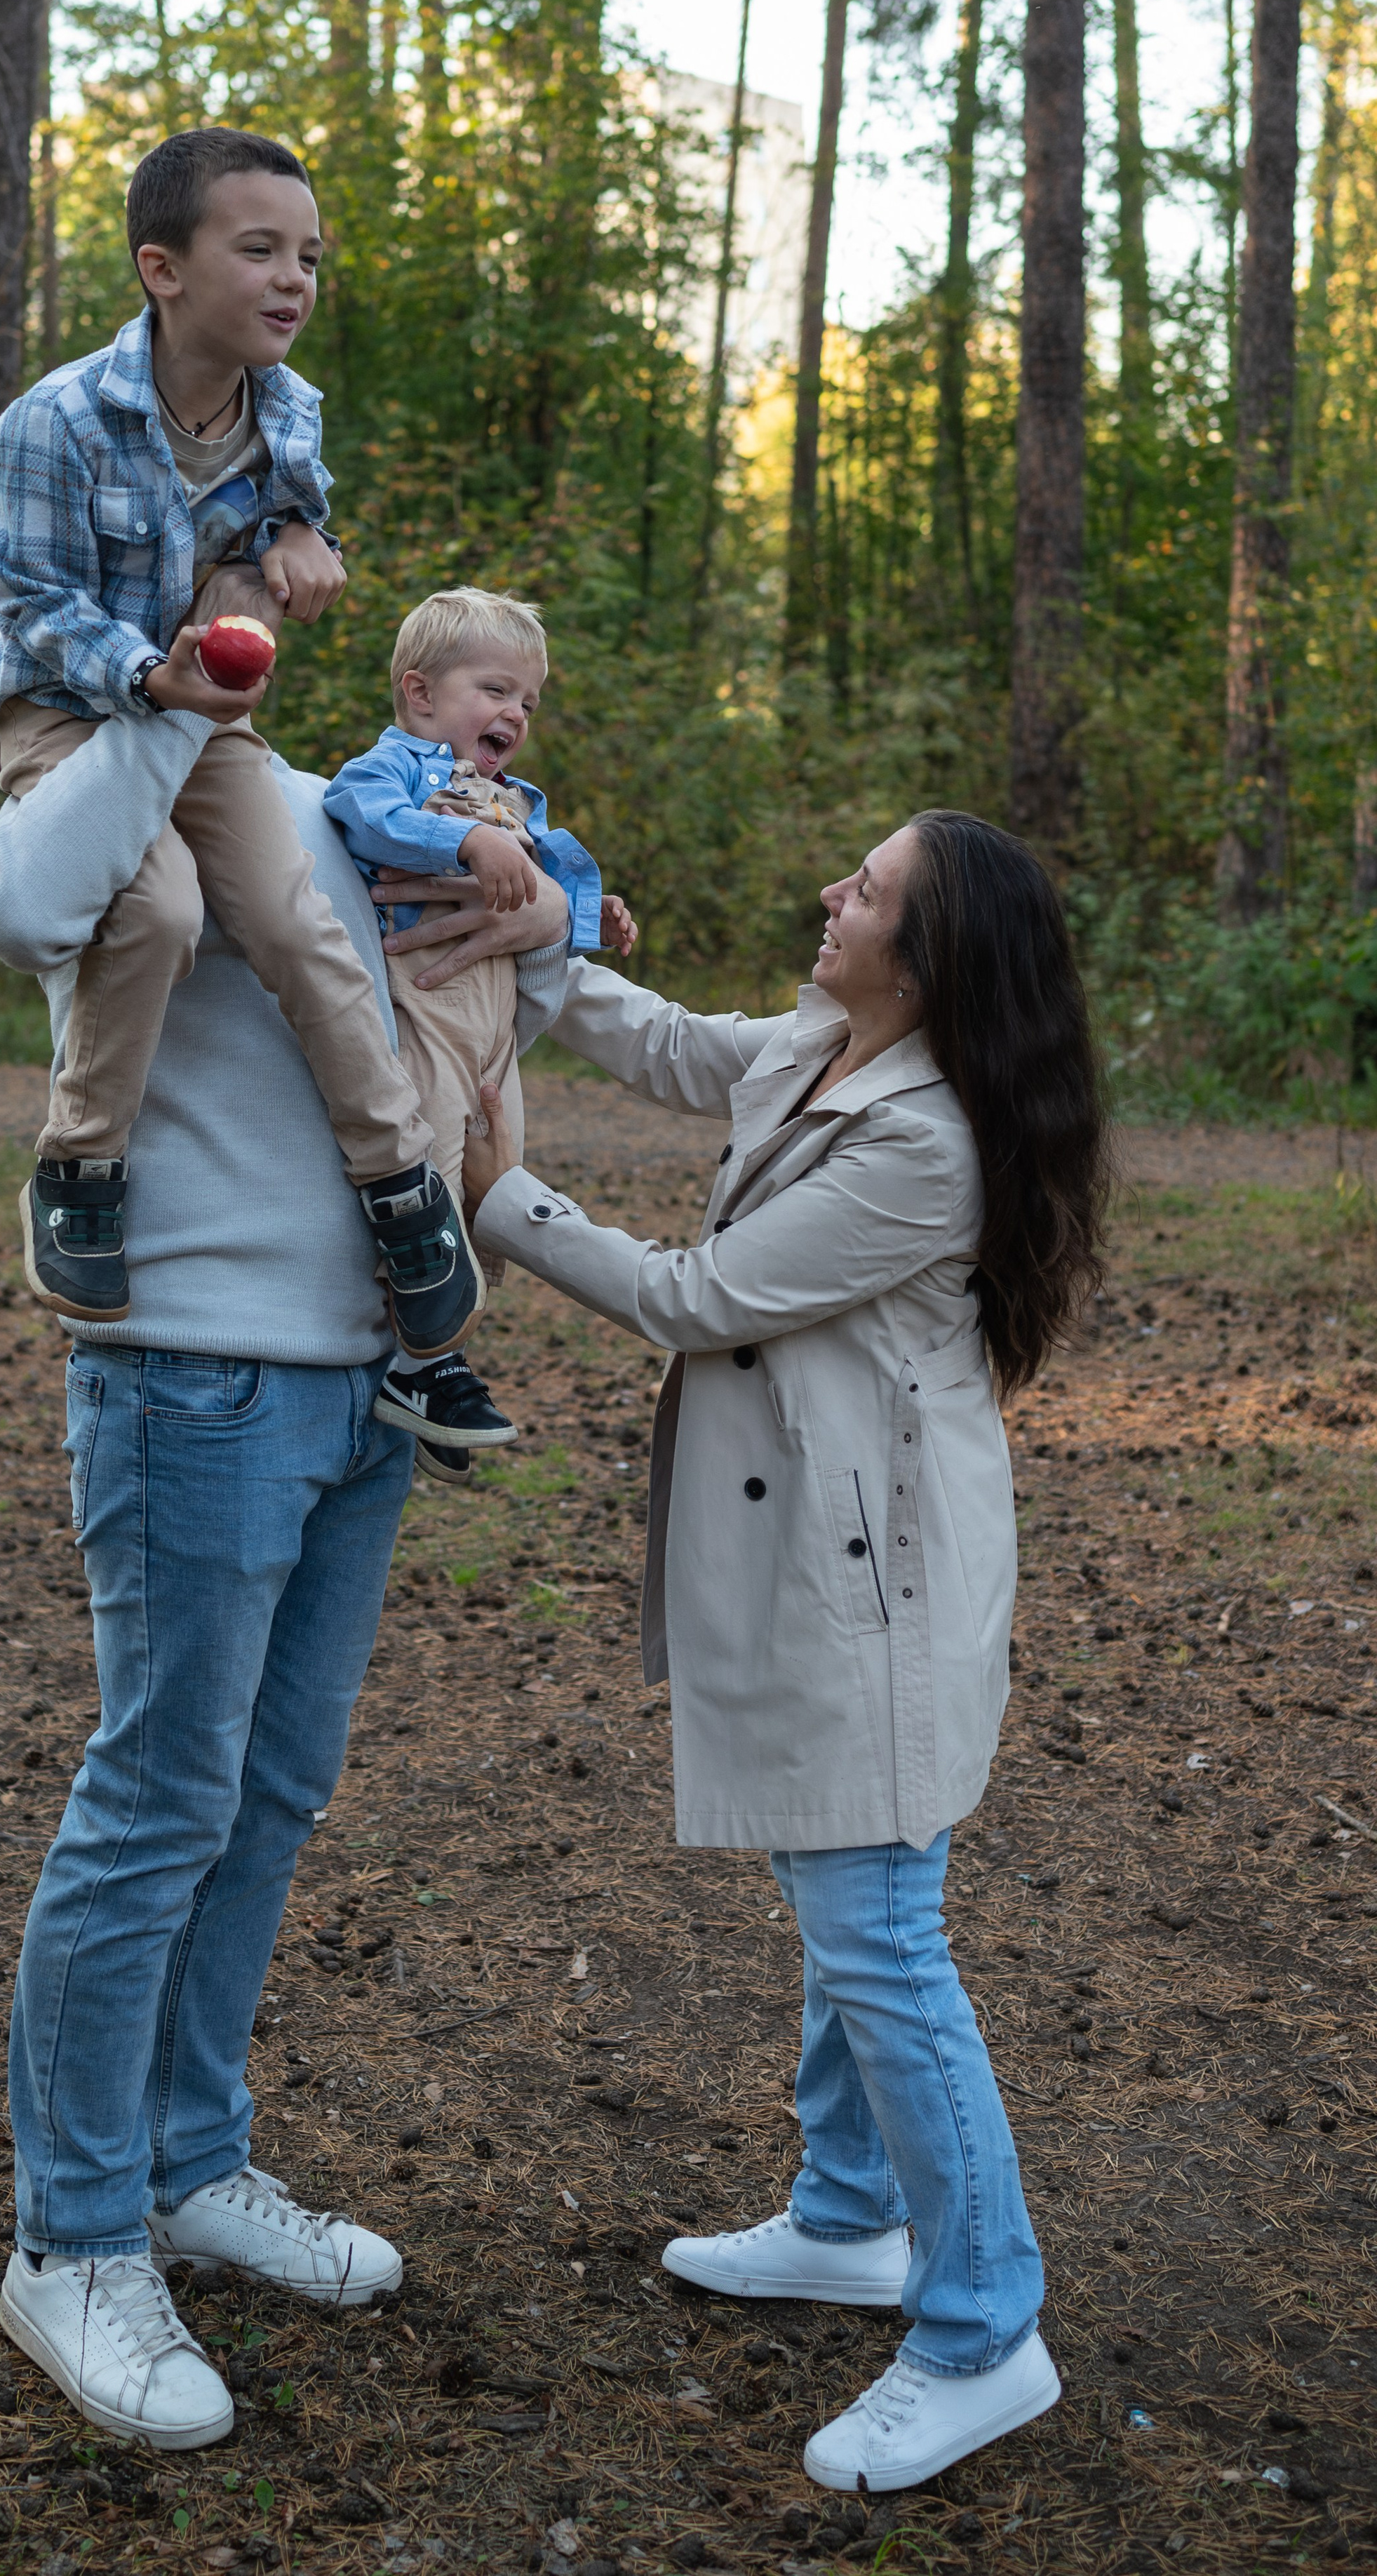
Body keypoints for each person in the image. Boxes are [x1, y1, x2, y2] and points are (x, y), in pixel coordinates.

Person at [462, 808, 1110, 2494]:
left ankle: (981, 2324)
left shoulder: (925, 1143)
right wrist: (542, 938)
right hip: (842, 1545)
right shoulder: (835, 1041)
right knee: (850, 1902)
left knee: (879, 1931)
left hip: (871, 1583)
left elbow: (696, 1296)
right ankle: (845, 2216)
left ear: (934, 952)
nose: (833, 893)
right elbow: (672, 1043)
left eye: (869, 890)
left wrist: (494, 1195)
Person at [0, 700, 572, 2449]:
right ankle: (70, 2236)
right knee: (160, 1793)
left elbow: (464, 1032)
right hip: (193, 1363)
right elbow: (16, 914)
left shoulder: (364, 811)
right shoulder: (125, 779)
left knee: (273, 1786)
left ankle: (185, 2159)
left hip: (367, 1376)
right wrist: (154, 708)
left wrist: (534, 921)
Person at [0, 126, 481, 1375]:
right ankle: (82, 1163)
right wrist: (152, 674)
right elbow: (33, 603)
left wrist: (309, 541)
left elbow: (286, 520)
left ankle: (400, 1177)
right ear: (164, 268)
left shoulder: (288, 406)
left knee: (298, 924)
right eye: (258, 249)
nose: (293, 278)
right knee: (155, 912)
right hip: (72, 715)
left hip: (209, 724)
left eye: (307, 255)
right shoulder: (53, 424)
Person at [325, 587, 638, 1475]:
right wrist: (464, 846)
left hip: (495, 1025)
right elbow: (360, 816)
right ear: (422, 695)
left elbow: (541, 889)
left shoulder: (514, 800)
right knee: (420, 1173)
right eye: (496, 691)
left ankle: (438, 1360)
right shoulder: (394, 770)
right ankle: (421, 1364)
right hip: (424, 1003)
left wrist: (591, 914)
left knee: (490, 1187)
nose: (516, 715)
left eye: (529, 703)